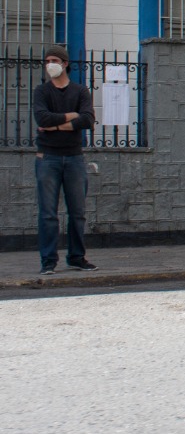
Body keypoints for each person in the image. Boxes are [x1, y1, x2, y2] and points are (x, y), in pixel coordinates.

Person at [33, 45, 97, 274]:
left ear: (65, 63)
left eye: (54, 60)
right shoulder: (41, 91)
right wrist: (72, 117)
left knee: (77, 212)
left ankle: (77, 257)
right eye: (47, 60)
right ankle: (48, 261)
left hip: (74, 158)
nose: (50, 64)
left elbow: (88, 120)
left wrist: (55, 125)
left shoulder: (80, 91)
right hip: (47, 158)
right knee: (48, 214)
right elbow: (41, 117)